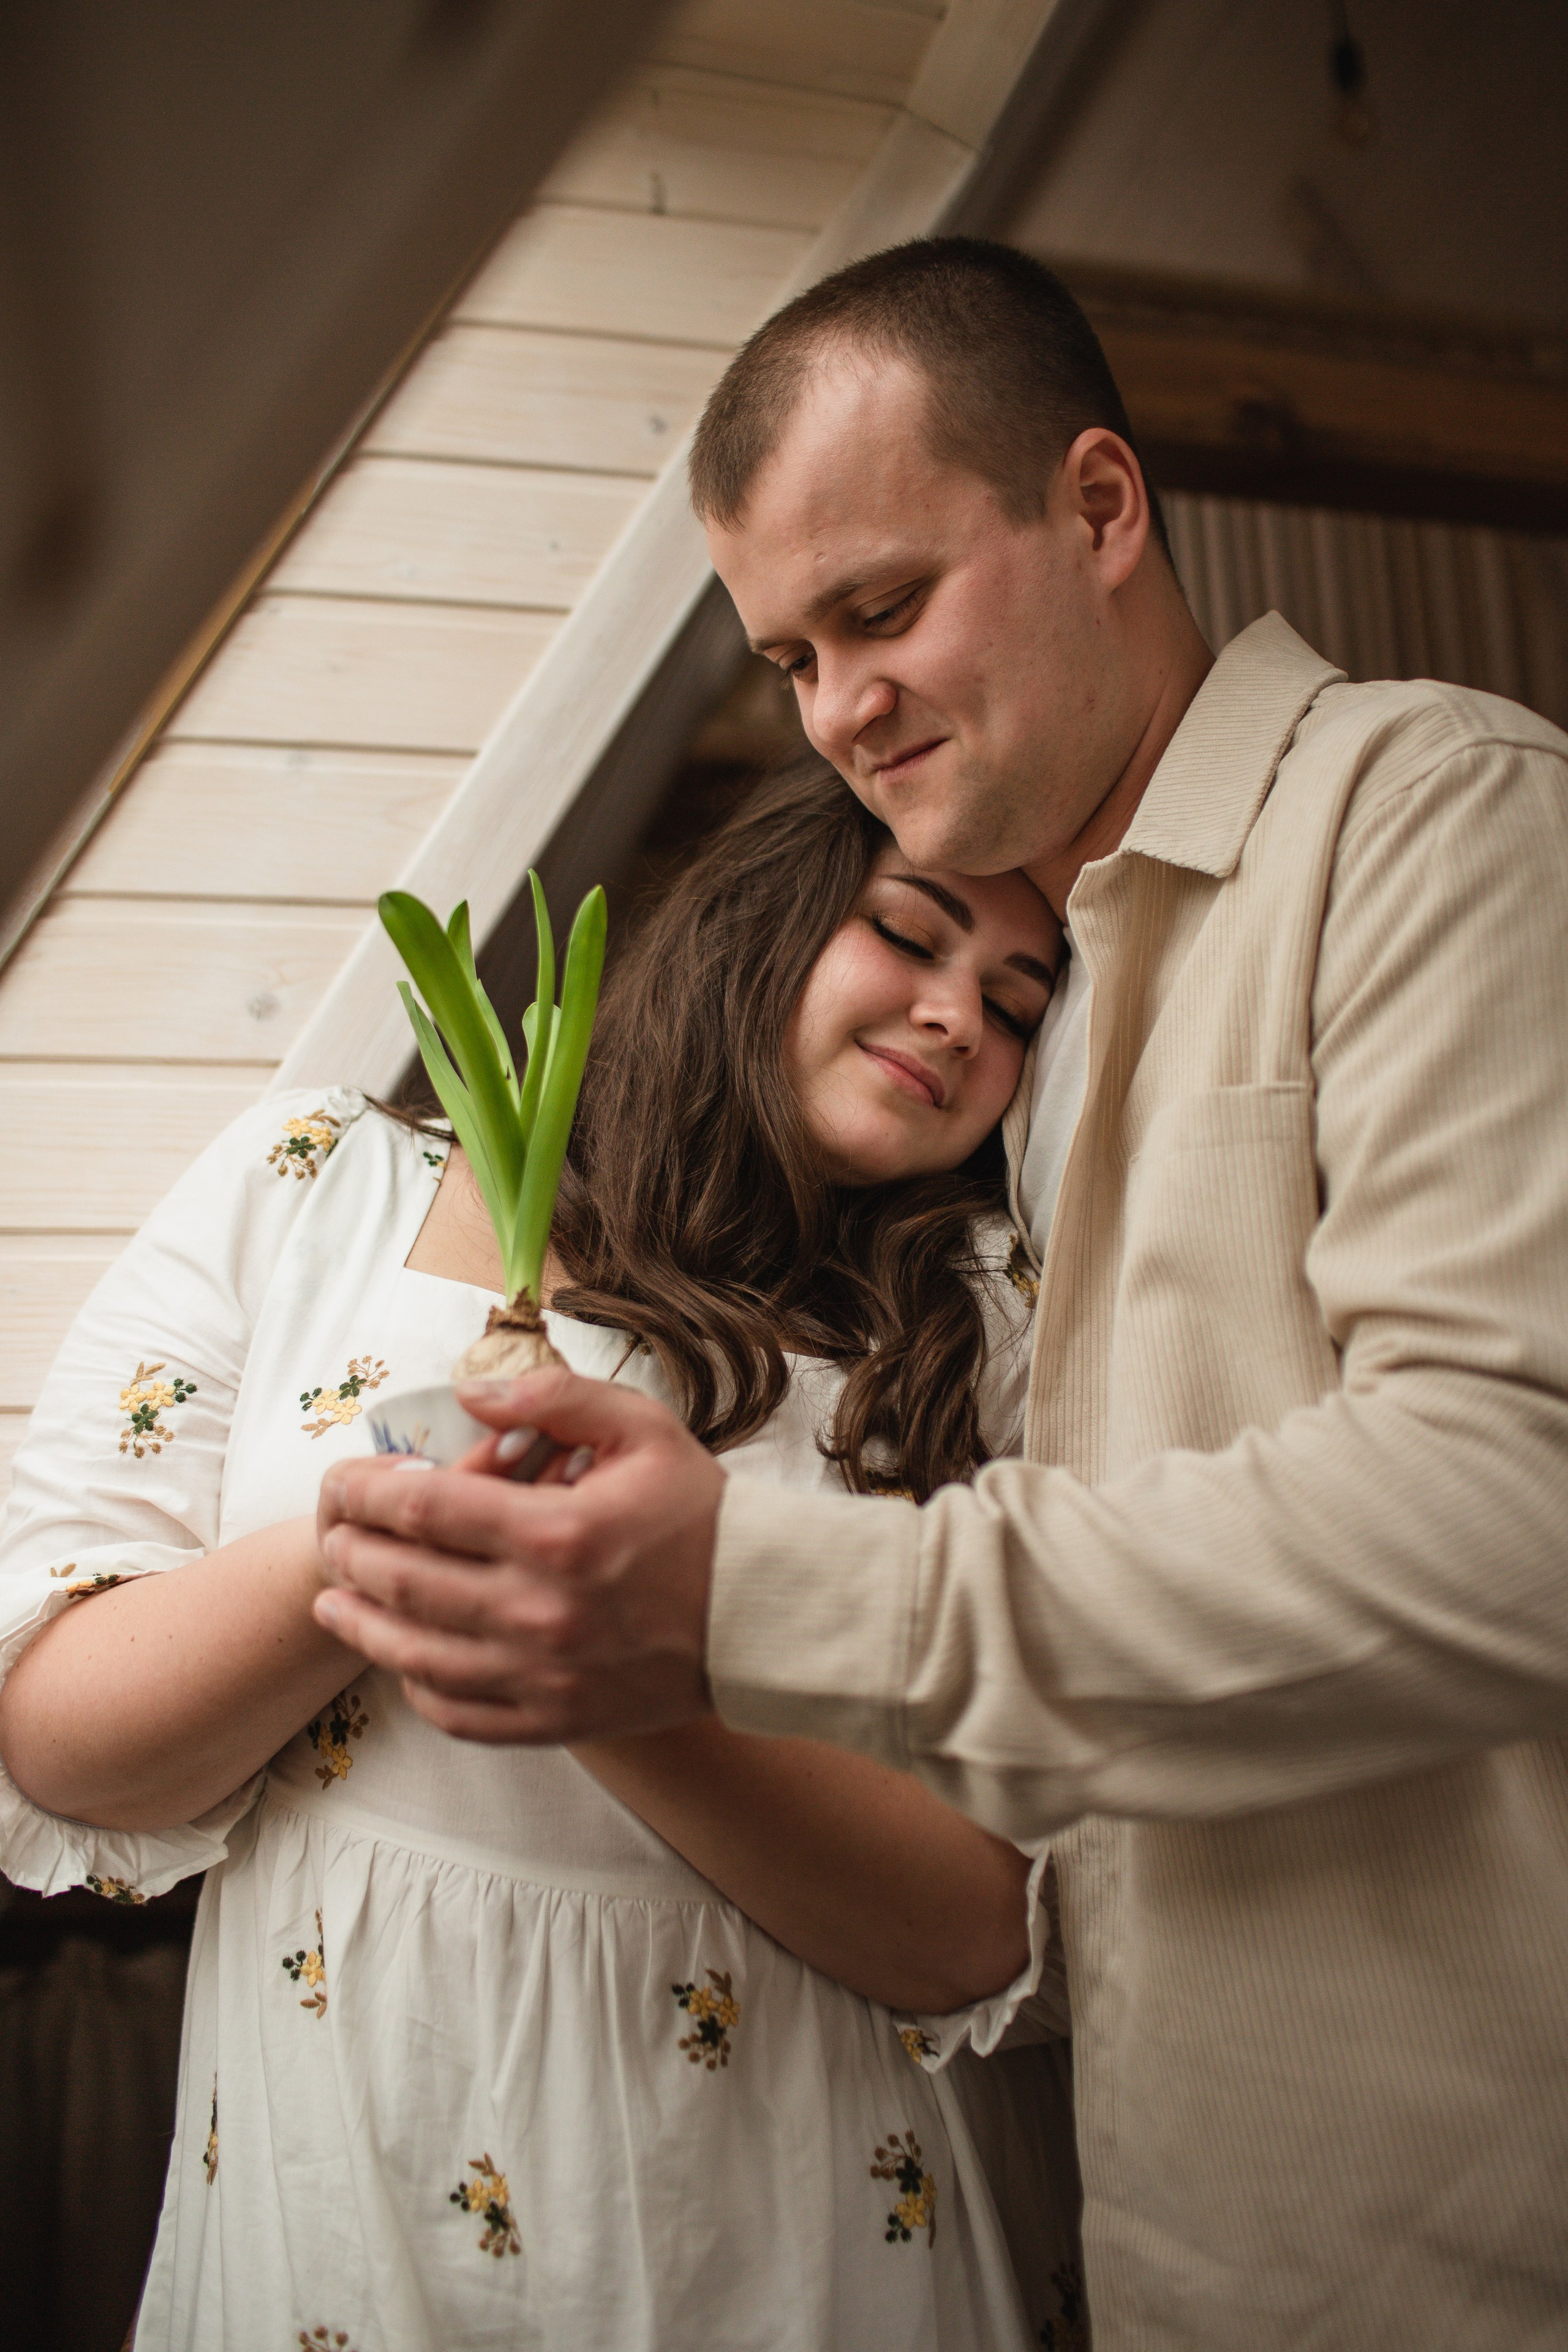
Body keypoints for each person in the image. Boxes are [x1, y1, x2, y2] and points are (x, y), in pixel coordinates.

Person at [299, 238, 1568, 2348]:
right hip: (1168, 2259)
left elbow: (1516, 1500)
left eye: (881, 609)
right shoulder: (1027, 1048)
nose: (836, 711)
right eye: (791, 656)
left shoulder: (1432, 809)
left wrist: (749, 1588)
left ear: (1100, 506)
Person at [0, 761, 1082, 2350]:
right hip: (355, 2159)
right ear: (758, 926)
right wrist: (377, 1527)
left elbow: (993, 1930)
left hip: (803, 2204)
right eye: (909, 936)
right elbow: (60, 1738)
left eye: (1016, 1006)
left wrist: (616, 1676)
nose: (956, 1017)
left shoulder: (982, 1325)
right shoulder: (316, 1184)